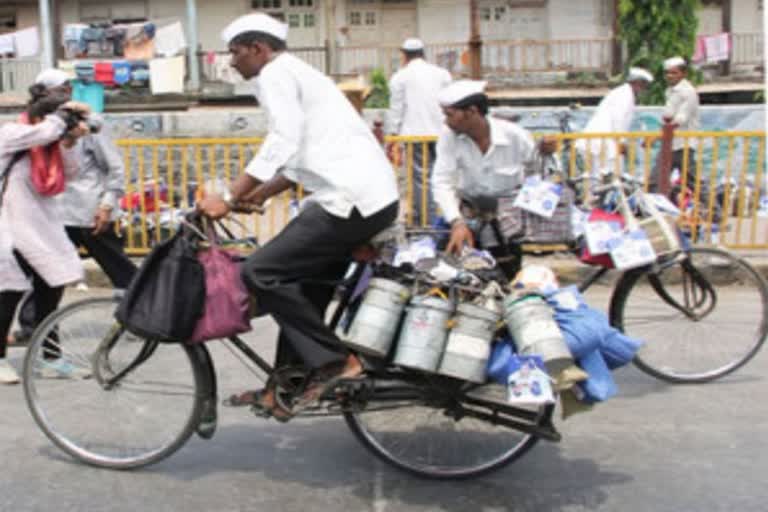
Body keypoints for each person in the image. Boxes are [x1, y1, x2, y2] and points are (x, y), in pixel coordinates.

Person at [198, 13, 399, 418]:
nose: (231, 61)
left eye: (236, 52)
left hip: (350, 199)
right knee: (302, 285)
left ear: (258, 49)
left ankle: (337, 361)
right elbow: (301, 155)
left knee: (259, 272)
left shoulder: (276, 74)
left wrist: (229, 194)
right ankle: (284, 388)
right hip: (364, 198)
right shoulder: (296, 74)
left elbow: (283, 140)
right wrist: (259, 194)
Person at [10, 69, 137, 346]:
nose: (65, 92)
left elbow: (112, 167)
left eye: (68, 87)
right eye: (59, 88)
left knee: (118, 267)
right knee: (41, 273)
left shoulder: (88, 125)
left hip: (87, 210)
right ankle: (35, 329)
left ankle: (142, 316)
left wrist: (106, 204)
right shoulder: (29, 129)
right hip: (52, 213)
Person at [0, 85, 91, 384]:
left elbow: (73, 172)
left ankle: (50, 357)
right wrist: (62, 118)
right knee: (8, 293)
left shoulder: (50, 142)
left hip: (41, 226)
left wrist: (69, 142)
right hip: (9, 227)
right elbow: (42, 133)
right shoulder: (12, 133)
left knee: (51, 289)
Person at [431, 80, 538, 278]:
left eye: (450, 115)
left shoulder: (516, 136)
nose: (446, 121)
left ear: (471, 112)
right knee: (456, 277)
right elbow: (442, 181)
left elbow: (536, 174)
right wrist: (457, 222)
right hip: (469, 218)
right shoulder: (448, 137)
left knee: (509, 278)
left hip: (508, 223)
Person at [386, 37, 452, 227]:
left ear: (404, 55)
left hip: (415, 135)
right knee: (441, 176)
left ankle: (425, 221)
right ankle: (440, 217)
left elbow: (397, 110)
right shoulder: (442, 74)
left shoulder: (400, 77)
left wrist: (392, 136)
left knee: (420, 179)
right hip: (441, 133)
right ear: (423, 53)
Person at [576, 67, 653, 184]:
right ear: (637, 82)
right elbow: (618, 119)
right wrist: (621, 141)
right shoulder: (624, 95)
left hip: (603, 141)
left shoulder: (623, 93)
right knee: (605, 178)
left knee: (602, 178)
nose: (643, 89)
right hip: (602, 141)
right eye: (644, 85)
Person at [650, 56, 700, 193]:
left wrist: (656, 137)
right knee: (655, 180)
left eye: (674, 73)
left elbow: (680, 119)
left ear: (683, 74)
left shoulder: (688, 92)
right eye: (667, 73)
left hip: (684, 144)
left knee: (693, 182)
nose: (669, 76)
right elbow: (668, 117)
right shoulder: (670, 91)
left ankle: (715, 212)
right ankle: (653, 210)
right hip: (669, 143)